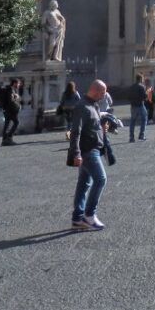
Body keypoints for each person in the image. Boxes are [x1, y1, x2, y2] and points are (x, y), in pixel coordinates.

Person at [68, 79, 110, 230]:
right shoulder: (82, 106)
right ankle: (89, 215)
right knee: (100, 179)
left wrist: (102, 129)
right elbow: (75, 132)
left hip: (93, 148)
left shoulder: (94, 105)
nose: (104, 95)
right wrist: (76, 153)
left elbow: (91, 126)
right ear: (96, 90)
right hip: (87, 150)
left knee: (84, 184)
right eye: (103, 92)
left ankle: (77, 218)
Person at [1, 79, 22, 146]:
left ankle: (4, 140)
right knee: (16, 122)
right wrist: (18, 105)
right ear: (14, 83)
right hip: (10, 110)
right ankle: (9, 138)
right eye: (18, 84)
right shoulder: (10, 90)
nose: (19, 85)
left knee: (7, 124)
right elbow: (11, 101)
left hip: (7, 110)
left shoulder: (10, 89)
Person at [128, 74, 148, 143]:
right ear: (140, 79)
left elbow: (128, 97)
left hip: (133, 106)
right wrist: (147, 94)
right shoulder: (142, 87)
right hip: (140, 105)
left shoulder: (131, 87)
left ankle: (131, 137)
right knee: (144, 119)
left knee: (132, 121)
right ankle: (141, 135)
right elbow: (144, 97)